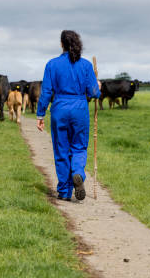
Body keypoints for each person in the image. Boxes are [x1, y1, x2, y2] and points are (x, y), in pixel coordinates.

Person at [36, 30, 101, 201]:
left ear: (61, 44)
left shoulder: (52, 64)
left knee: (61, 150)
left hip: (59, 108)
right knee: (79, 147)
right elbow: (94, 93)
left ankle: (64, 191)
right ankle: (78, 172)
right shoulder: (86, 65)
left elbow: (46, 92)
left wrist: (40, 115)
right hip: (80, 108)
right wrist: (98, 85)